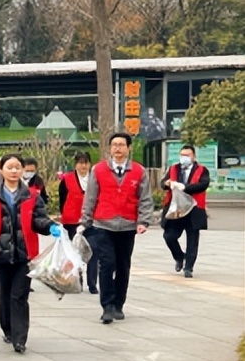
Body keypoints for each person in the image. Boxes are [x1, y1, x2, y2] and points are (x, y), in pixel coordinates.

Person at [0, 154, 59, 353]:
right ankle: (7, 328)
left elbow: (39, 220)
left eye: (17, 167)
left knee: (19, 295)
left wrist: (50, 227)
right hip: (0, 254)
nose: (14, 171)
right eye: (9, 167)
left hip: (25, 254)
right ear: (1, 170)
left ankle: (20, 338)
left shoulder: (32, 195)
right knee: (5, 293)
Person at [78, 131, 156, 324]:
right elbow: (90, 197)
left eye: (121, 145)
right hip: (103, 224)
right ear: (110, 148)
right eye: (114, 145)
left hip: (128, 225)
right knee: (106, 264)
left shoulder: (138, 171)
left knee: (123, 266)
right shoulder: (98, 169)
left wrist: (143, 221)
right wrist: (85, 221)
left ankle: (118, 304)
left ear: (129, 148)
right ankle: (107, 306)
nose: (118, 149)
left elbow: (145, 198)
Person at [160, 144, 210, 278]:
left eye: (187, 155)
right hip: (176, 208)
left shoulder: (202, 170)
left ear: (193, 156)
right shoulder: (173, 168)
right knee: (169, 236)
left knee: (192, 239)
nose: (185, 158)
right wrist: (167, 184)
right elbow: (163, 183)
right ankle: (179, 256)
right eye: (182, 155)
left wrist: (184, 187)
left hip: (194, 209)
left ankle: (189, 267)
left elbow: (203, 185)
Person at [58, 151, 98, 293]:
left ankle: (92, 283)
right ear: (75, 164)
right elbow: (62, 200)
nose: (83, 166)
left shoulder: (95, 179)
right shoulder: (66, 179)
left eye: (86, 162)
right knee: (74, 253)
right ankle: (78, 281)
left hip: (91, 221)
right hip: (71, 222)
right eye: (80, 163)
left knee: (93, 251)